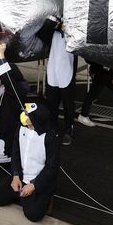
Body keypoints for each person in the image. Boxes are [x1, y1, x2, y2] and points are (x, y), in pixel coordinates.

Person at [0, 101, 59, 222]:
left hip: (38, 181)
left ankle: (39, 198)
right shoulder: (21, 127)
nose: (24, 115)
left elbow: (51, 167)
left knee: (33, 215)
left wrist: (34, 185)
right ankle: (24, 197)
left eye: (27, 114)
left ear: (36, 119)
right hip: (22, 177)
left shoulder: (49, 137)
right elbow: (15, 153)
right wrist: (16, 176)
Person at [37, 16, 78, 145]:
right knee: (51, 103)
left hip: (67, 72)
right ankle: (52, 127)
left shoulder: (74, 34)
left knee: (68, 104)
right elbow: (41, 33)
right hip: (53, 72)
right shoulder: (52, 33)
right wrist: (54, 21)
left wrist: (68, 28)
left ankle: (68, 129)